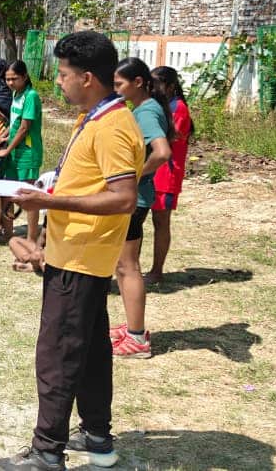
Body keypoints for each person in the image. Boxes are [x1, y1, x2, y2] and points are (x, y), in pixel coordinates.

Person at [0, 31, 140, 471]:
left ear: (89, 78)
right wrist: (44, 194)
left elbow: (123, 198)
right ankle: (97, 436)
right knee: (91, 351)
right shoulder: (94, 117)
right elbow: (82, 180)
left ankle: (47, 452)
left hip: (82, 258)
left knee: (58, 352)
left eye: (63, 74)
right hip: (76, 253)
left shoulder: (113, 126)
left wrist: (47, 203)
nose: (58, 81)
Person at [109, 57, 173, 360]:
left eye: (119, 83)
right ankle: (133, 327)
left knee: (127, 266)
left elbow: (162, 153)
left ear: (137, 82)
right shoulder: (145, 108)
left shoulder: (146, 111)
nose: (115, 88)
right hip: (138, 197)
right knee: (123, 266)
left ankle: (137, 338)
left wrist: (134, 176)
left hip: (135, 199)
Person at [147, 66, 193, 285]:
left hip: (167, 174)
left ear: (170, 86)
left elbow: (167, 138)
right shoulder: (160, 106)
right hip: (152, 172)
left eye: (156, 84)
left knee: (161, 221)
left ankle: (157, 270)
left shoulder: (179, 109)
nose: (153, 88)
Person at [0, 61, 44, 242]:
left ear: (24, 76)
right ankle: (8, 234)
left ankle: (32, 238)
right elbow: (14, 122)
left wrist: (7, 149)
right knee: (10, 192)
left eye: (14, 79)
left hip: (27, 152)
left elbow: (24, 128)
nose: (10, 83)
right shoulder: (16, 94)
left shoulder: (31, 96)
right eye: (7, 79)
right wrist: (1, 138)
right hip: (13, 152)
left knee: (29, 196)